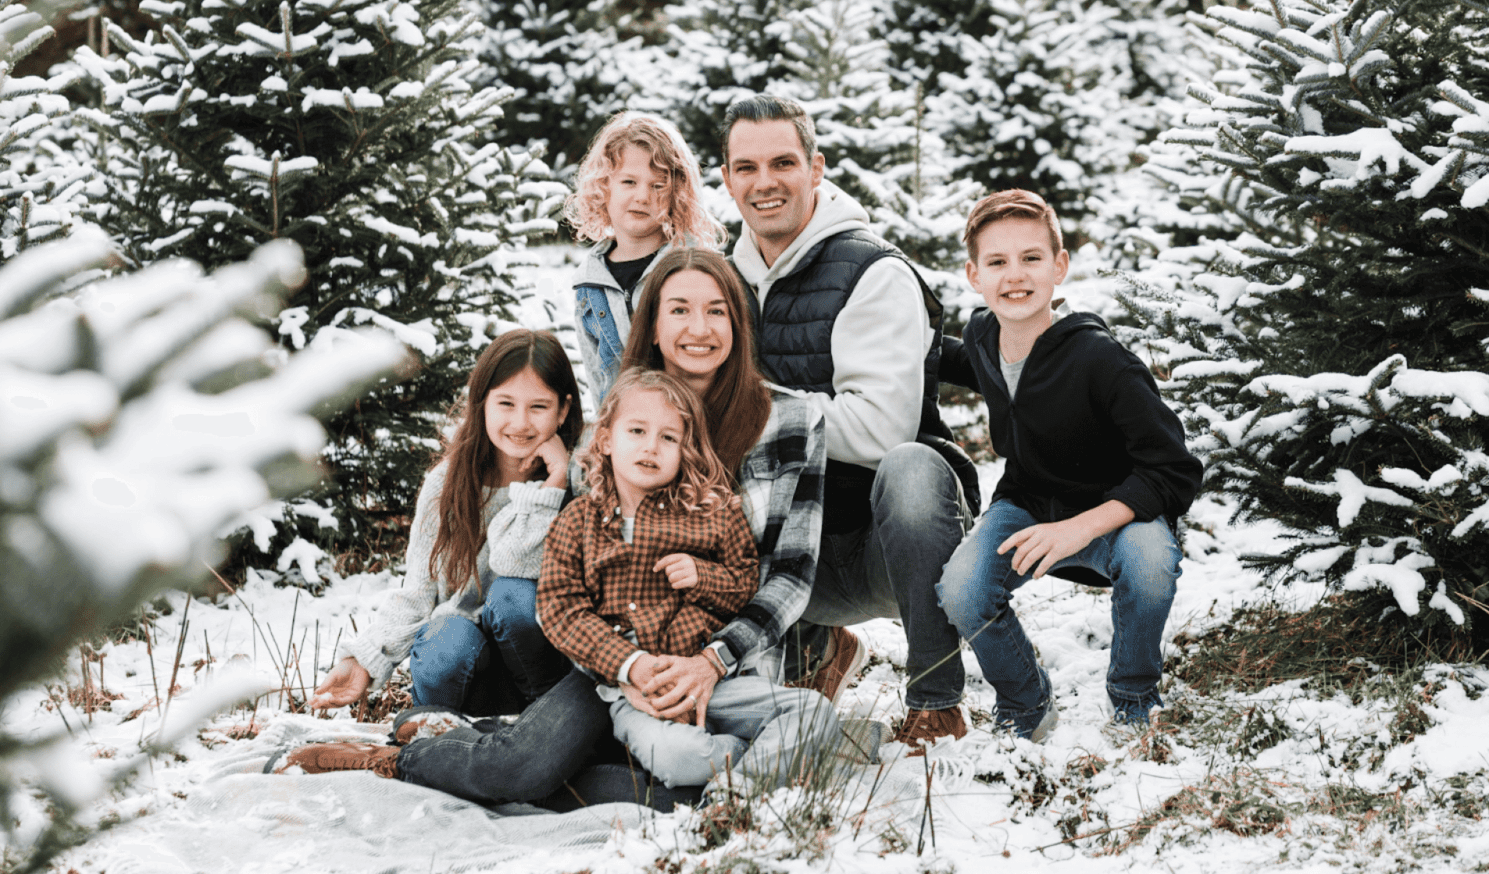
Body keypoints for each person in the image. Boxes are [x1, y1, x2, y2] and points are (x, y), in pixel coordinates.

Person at [275, 252, 833, 808]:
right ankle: (406, 759)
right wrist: (627, 666)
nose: (699, 328)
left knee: (703, 772)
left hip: (726, 664)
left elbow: (786, 576)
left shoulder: (789, 427)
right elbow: (567, 597)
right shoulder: (609, 439)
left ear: (739, 324)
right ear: (653, 328)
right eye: (679, 309)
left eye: (717, 311)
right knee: (533, 771)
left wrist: (711, 659)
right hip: (614, 669)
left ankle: (724, 801)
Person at [718, 94, 978, 753]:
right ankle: (808, 655)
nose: (764, 182)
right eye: (745, 167)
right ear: (726, 179)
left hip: (880, 548)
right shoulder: (720, 279)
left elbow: (880, 429)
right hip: (779, 554)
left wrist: (745, 412)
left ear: (816, 168)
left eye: (782, 162)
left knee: (913, 467)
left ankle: (937, 700)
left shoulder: (873, 271)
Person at [936, 190, 1203, 735]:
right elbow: (975, 366)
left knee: (1152, 564)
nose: (1015, 276)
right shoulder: (984, 335)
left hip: (1116, 516)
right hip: (1029, 505)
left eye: (1032, 258)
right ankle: (1026, 702)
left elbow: (1174, 468)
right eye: (997, 262)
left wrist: (1076, 528)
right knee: (961, 587)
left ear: (1059, 267)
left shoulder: (1102, 361)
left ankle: (1133, 696)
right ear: (973, 274)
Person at [539, 368, 839, 790]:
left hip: (713, 681)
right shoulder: (578, 521)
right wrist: (631, 666)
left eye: (668, 438)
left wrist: (703, 576)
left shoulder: (715, 511)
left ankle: (734, 790)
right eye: (638, 431)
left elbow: (744, 585)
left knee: (814, 712)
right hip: (638, 696)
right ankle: (753, 760)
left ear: (686, 449)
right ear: (606, 440)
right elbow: (559, 608)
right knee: (682, 758)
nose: (651, 447)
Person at [304, 329, 582, 719]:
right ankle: (435, 731)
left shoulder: (580, 481)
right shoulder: (447, 485)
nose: (520, 422)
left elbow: (517, 565)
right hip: (472, 671)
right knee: (444, 635)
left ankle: (550, 727)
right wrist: (363, 661)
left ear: (563, 410)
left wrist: (552, 485)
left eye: (538, 407)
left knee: (512, 596)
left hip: (543, 668)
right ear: (481, 403)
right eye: (505, 403)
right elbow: (418, 593)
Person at [566, 112, 726, 405]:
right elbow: (598, 382)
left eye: (658, 185)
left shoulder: (696, 269)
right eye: (629, 182)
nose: (643, 196)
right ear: (603, 187)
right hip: (626, 436)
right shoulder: (589, 284)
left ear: (677, 193)